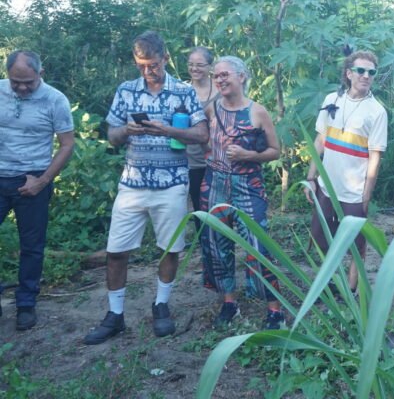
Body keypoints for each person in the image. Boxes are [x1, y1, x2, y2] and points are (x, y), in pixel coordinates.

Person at [84, 31, 208, 345]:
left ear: (165, 58)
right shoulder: (126, 91)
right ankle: (115, 315)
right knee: (116, 251)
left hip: (172, 184)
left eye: (152, 64)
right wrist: (127, 129)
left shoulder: (183, 92)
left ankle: (161, 305)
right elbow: (112, 136)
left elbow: (202, 135)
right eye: (141, 65)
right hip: (133, 183)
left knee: (170, 248)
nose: (147, 71)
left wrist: (166, 129)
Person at [200, 56, 284, 330]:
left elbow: (275, 150)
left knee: (258, 246)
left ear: (242, 77)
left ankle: (274, 311)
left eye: (225, 75)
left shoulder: (257, 112)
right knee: (217, 244)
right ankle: (229, 304)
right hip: (215, 184)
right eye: (217, 76)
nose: (220, 79)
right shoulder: (212, 109)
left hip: (248, 185)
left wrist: (248, 154)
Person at [0, 50, 74, 330]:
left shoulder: (55, 100)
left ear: (40, 74)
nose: (20, 87)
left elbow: (67, 144)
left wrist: (42, 181)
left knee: (31, 247)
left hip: (32, 181)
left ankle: (26, 304)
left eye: (27, 82)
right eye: (14, 81)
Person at [305, 50, 387, 291]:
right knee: (321, 238)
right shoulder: (332, 99)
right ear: (349, 73)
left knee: (356, 243)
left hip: (355, 190)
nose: (366, 76)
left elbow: (375, 155)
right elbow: (320, 139)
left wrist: (367, 193)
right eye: (361, 70)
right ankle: (325, 284)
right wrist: (311, 176)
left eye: (371, 72)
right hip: (326, 186)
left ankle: (351, 292)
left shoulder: (377, 111)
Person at [185, 47, 218, 213]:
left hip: (219, 159)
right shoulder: (182, 91)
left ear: (210, 66)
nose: (194, 68)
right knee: (200, 207)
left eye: (200, 64)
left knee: (220, 208)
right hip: (192, 160)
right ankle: (203, 240)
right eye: (190, 64)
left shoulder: (221, 90)